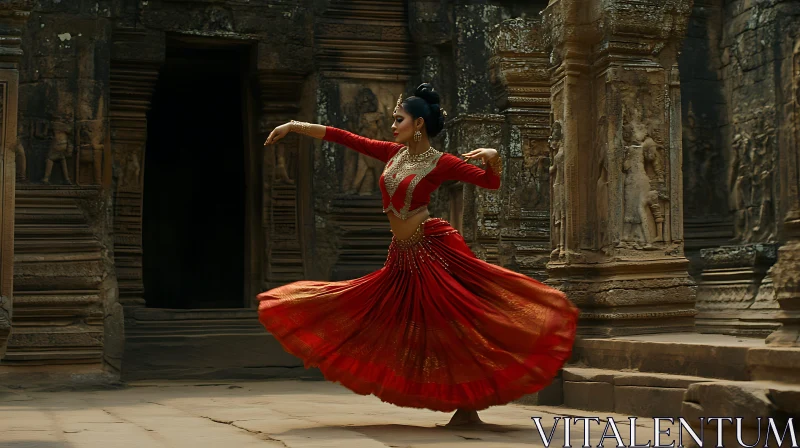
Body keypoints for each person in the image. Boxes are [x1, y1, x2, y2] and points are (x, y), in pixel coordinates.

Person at [258, 83, 578, 426]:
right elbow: (343, 137)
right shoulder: (391, 154)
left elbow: (490, 183)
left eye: (399, 119)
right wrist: (294, 126)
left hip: (435, 249)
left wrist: (494, 158)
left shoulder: (441, 163)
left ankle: (468, 408)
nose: (392, 125)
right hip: (402, 255)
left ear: (419, 124)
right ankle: (463, 406)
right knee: (380, 314)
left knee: (452, 327)